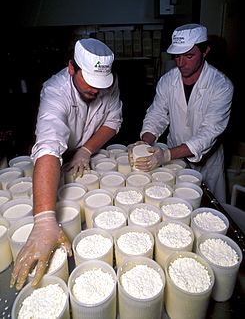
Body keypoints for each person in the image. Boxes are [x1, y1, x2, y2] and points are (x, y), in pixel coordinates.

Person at [10, 38, 122, 290]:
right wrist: (44, 219)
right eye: (89, 83)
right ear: (71, 67)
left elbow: (113, 121)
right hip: (57, 155)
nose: (96, 91)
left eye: (101, 85)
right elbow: (49, 146)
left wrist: (85, 150)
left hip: (86, 149)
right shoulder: (55, 90)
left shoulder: (109, 86)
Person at [130, 24, 233, 203]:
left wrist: (167, 155)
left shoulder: (221, 86)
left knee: (208, 211)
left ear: (205, 51)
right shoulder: (168, 80)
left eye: (189, 56)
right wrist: (144, 142)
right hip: (175, 161)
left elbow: (210, 132)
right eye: (177, 56)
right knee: (176, 206)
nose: (181, 63)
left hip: (207, 165)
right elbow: (157, 114)